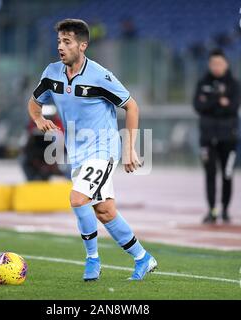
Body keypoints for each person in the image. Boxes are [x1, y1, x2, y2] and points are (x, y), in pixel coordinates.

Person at [28, 19, 157, 281]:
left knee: (77, 199)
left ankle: (92, 261)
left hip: (103, 149)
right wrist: (39, 119)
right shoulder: (51, 73)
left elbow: (131, 106)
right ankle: (143, 258)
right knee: (105, 211)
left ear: (82, 45)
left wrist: (129, 149)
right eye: (59, 42)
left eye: (67, 42)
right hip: (78, 153)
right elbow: (34, 102)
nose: (61, 47)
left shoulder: (100, 76)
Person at [193, 49, 241, 224]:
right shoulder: (203, 82)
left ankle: (226, 210)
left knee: (227, 174)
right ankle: (212, 210)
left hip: (228, 137)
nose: (216, 67)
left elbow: (233, 107)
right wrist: (219, 100)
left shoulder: (233, 84)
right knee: (210, 174)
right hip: (207, 137)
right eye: (213, 63)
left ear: (226, 64)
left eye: (219, 63)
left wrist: (210, 102)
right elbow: (198, 106)